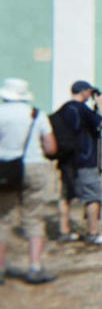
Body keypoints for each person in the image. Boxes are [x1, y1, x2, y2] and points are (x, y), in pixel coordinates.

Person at [0, 78, 59, 284]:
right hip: (34, 166)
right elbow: (51, 148)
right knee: (34, 218)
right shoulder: (36, 114)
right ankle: (34, 267)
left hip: (5, 168)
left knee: (3, 218)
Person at [56, 80, 102, 245]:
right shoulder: (82, 109)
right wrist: (100, 105)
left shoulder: (63, 109)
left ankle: (64, 231)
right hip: (85, 159)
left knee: (66, 196)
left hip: (67, 160)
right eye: (89, 92)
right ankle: (93, 233)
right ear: (84, 91)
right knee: (92, 196)